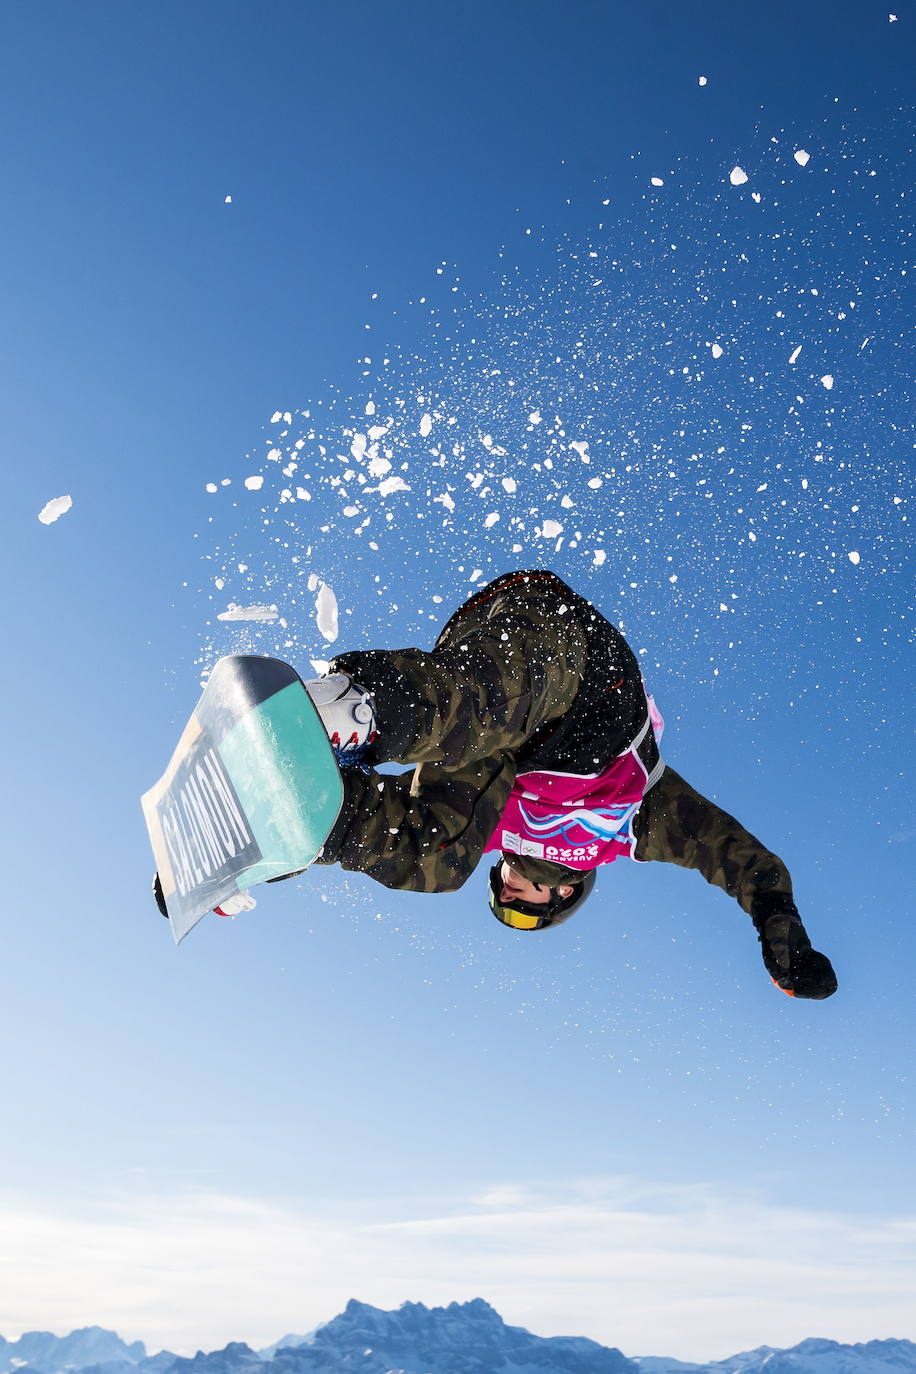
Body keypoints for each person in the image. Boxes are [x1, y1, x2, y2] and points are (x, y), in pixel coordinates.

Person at [298, 569, 836, 1000]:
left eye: (503, 906)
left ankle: (302, 810)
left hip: (493, 706)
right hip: (576, 671)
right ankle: (358, 708)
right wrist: (780, 929)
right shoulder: (628, 831)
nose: (506, 898)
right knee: (483, 711)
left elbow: (416, 825)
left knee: (433, 859)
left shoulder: (487, 833)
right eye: (521, 911)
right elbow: (740, 859)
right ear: (563, 895)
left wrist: (285, 843)